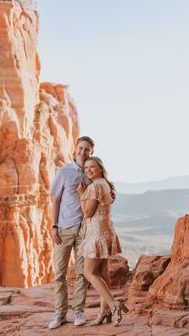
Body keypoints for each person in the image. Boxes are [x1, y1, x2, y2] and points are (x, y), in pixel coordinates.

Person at [48, 136, 95, 330]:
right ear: (75, 150)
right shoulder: (64, 172)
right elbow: (56, 200)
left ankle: (78, 311)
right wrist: (53, 226)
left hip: (85, 231)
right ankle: (59, 313)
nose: (83, 152)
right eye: (81, 148)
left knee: (83, 273)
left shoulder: (92, 173)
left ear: (91, 152)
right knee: (59, 273)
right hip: (64, 229)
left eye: (87, 149)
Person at [77, 156, 129, 326]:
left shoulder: (94, 187)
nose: (89, 170)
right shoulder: (106, 184)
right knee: (103, 273)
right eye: (86, 168)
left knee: (89, 272)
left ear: (100, 168)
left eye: (92, 167)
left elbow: (87, 213)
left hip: (97, 233)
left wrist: (81, 194)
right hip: (106, 230)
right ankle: (104, 312)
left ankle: (114, 305)